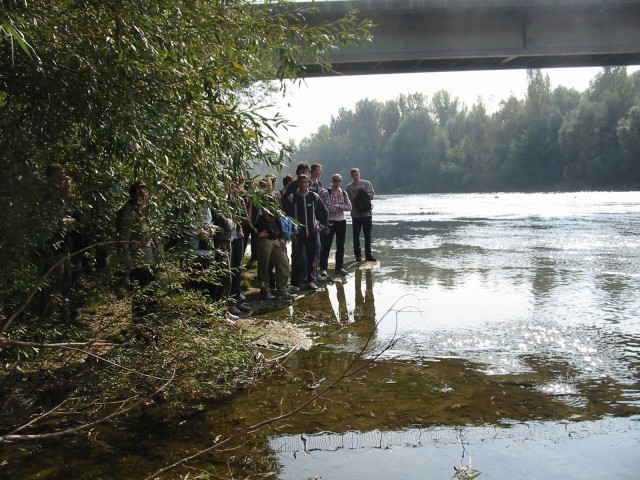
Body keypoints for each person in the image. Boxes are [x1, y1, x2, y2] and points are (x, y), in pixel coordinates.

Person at [284, 173, 328, 291]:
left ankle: (311, 280)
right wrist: (291, 234)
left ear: (308, 183)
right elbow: (286, 217)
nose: (304, 184)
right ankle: (295, 283)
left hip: (312, 232)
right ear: (298, 184)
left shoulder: (314, 196)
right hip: (297, 234)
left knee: (312, 258)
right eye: (301, 182)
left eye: (306, 182)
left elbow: (325, 212)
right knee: (297, 259)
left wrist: (322, 226)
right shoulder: (292, 198)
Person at [115, 182, 157, 288]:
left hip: (148, 263)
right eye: (140, 195)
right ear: (133, 196)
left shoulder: (144, 213)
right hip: (136, 265)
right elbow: (123, 242)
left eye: (146, 195)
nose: (144, 198)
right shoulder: (127, 214)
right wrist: (127, 271)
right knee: (141, 299)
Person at [254, 202, 295, 300]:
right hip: (264, 239)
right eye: (264, 185)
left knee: (284, 263)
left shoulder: (273, 202)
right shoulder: (255, 203)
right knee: (264, 265)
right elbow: (250, 220)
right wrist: (256, 233)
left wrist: (281, 237)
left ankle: (282, 290)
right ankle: (265, 291)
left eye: (269, 185)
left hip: (276, 239)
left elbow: (278, 220)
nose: (267, 187)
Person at [319, 173, 351, 276]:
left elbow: (349, 207)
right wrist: (341, 206)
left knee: (340, 245)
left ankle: (339, 267)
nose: (338, 182)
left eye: (339, 181)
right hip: (330, 221)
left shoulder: (344, 193)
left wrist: (336, 205)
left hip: (342, 221)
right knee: (327, 245)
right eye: (336, 180)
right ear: (332, 181)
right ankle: (323, 268)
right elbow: (327, 207)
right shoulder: (326, 193)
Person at [345, 167, 376, 262]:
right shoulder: (349, 187)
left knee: (368, 235)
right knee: (356, 235)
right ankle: (357, 256)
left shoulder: (367, 183)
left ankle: (368, 255)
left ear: (360, 174)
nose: (356, 176)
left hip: (367, 213)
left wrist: (363, 192)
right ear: (352, 176)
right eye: (354, 175)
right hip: (356, 214)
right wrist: (355, 196)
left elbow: (372, 196)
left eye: (357, 174)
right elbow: (347, 200)